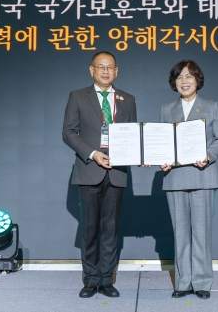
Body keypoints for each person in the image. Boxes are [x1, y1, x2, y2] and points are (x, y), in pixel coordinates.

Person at [62, 51, 137, 299]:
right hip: (89, 169)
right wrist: (93, 153)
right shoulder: (77, 97)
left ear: (117, 71)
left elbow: (132, 135)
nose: (105, 71)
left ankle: (107, 279)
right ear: (91, 70)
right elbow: (69, 133)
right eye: (101, 67)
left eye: (110, 67)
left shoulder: (128, 100)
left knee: (110, 227)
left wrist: (139, 155)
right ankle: (90, 279)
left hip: (117, 171)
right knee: (90, 227)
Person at [159, 60, 218, 299]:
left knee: (201, 233)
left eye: (189, 77)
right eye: (179, 77)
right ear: (174, 82)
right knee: (180, 234)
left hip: (203, 176)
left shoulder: (211, 106)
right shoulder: (167, 109)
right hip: (175, 178)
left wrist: (208, 156)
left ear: (198, 80)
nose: (184, 81)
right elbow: (163, 142)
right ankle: (183, 282)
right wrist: (162, 159)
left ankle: (202, 283)